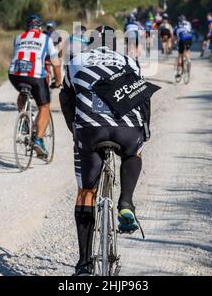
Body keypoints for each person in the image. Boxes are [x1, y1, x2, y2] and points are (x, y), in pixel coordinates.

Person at [59, 26, 146, 276]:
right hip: (126, 130)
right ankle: (126, 201)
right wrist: (143, 133)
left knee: (86, 192)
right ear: (114, 45)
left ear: (90, 44)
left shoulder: (76, 61)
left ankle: (84, 264)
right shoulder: (130, 61)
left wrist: (74, 131)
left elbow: (66, 98)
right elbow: (142, 99)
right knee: (133, 153)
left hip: (89, 131)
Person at [9, 14, 62, 158]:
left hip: (15, 74)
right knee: (44, 107)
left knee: (23, 90)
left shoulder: (18, 38)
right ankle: (38, 140)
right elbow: (55, 62)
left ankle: (25, 120)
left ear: (27, 27)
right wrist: (58, 81)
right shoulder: (46, 39)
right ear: (40, 28)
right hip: (36, 76)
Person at [174, 15, 193, 81]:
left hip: (182, 38)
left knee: (180, 55)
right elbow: (190, 30)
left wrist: (175, 42)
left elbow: (175, 35)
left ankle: (178, 72)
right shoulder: (188, 23)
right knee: (187, 50)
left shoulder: (177, 24)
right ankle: (188, 60)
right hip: (189, 37)